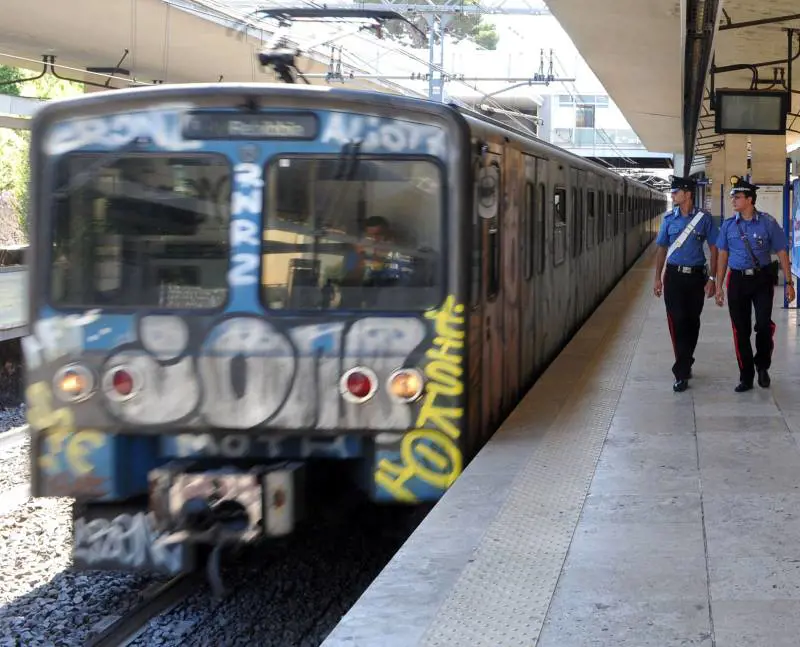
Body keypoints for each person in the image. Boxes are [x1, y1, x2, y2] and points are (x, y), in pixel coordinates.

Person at [714, 175, 796, 392]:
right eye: (732, 196)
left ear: (749, 200)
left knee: (762, 325)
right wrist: (719, 284)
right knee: (740, 330)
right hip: (737, 280)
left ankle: (762, 367)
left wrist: (789, 282)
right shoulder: (728, 226)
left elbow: (782, 251)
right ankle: (746, 375)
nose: (733, 200)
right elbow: (722, 255)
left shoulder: (768, 223)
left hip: (761, 280)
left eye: (737, 196)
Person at [653, 176, 718, 392]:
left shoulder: (704, 219)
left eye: (675, 192)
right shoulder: (669, 219)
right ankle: (681, 373)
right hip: (673, 277)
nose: (672, 195)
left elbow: (715, 248)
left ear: (687, 194)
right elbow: (662, 248)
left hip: (696, 277)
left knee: (692, 322)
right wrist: (657, 277)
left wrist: (712, 279)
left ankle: (686, 359)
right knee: (678, 321)